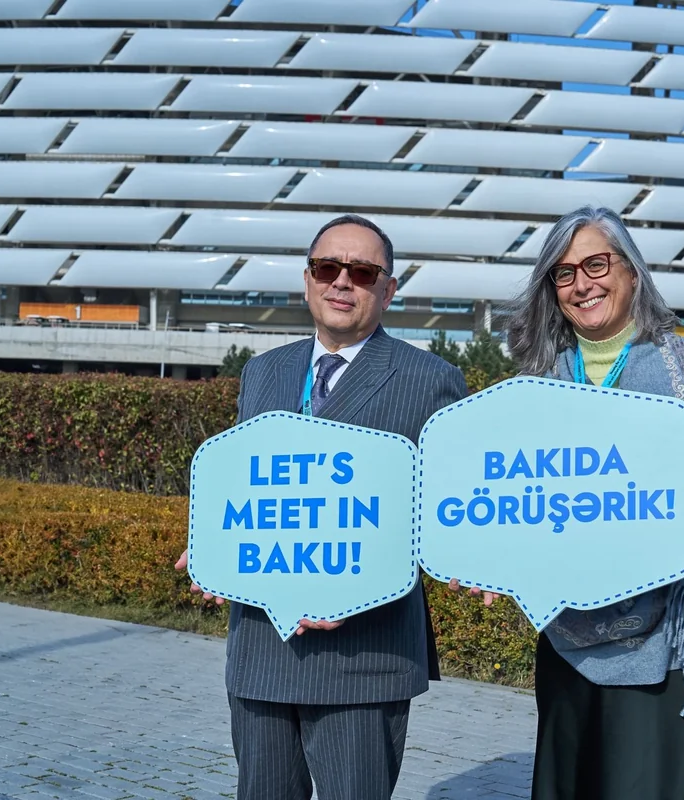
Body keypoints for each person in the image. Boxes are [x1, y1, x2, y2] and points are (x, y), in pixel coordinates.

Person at [458, 205, 684, 799]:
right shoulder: (534, 389)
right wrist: (490, 557)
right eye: (563, 273)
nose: (581, 283)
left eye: (596, 264)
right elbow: (509, 502)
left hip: (678, 653)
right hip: (568, 648)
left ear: (632, 271)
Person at [175, 214, 468, 800]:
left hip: (363, 654)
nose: (341, 281)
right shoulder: (263, 372)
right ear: (307, 279)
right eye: (327, 267)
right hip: (262, 647)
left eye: (362, 272)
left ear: (388, 289)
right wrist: (213, 549)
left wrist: (364, 581)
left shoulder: (430, 379)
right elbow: (246, 484)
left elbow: (447, 513)